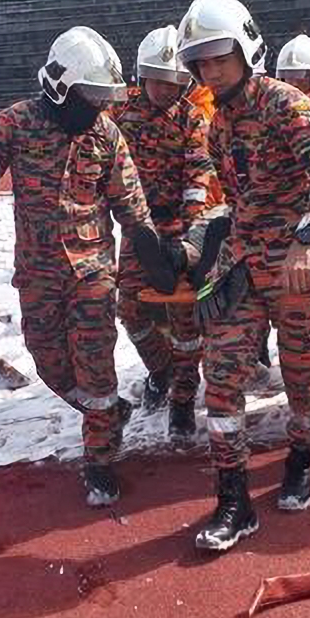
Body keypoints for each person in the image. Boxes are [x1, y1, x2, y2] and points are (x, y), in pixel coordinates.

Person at [150, 0, 310, 551]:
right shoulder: (217, 127)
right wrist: (196, 247)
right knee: (222, 377)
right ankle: (233, 498)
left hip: (297, 269)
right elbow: (236, 202)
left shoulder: (289, 106)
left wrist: (308, 237)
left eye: (220, 58)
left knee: (304, 375)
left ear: (246, 48)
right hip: (242, 269)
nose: (211, 72)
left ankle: (305, 454)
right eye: (201, 63)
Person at [0, 27, 154, 507]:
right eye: (90, 94)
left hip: (93, 269)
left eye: (103, 96)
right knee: (49, 361)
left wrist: (152, 257)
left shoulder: (106, 134)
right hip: (37, 271)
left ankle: (99, 459)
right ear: (60, 87)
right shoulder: (15, 123)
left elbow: (132, 207)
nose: (98, 105)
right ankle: (108, 414)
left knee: (96, 363)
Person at [115, 26, 216, 442]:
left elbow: (199, 169)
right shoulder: (122, 116)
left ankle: (183, 399)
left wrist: (189, 227)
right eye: (157, 79)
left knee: (187, 319)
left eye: (173, 82)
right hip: (138, 232)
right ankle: (161, 370)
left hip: (181, 233)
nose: (164, 89)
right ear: (142, 77)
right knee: (129, 308)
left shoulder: (192, 117)